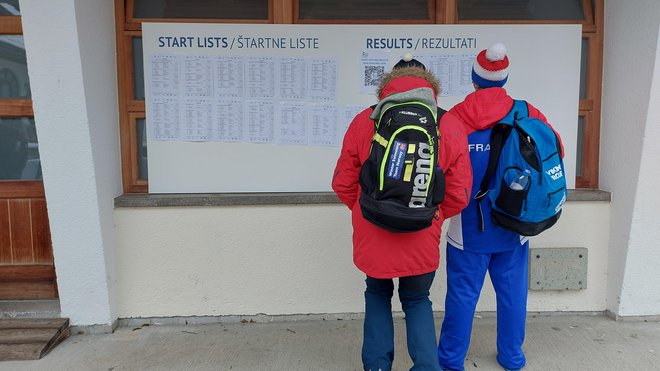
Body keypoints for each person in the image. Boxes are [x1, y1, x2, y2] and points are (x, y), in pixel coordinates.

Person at [332, 54, 472, 371]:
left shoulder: (363, 121)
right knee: (417, 299)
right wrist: (432, 215)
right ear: (430, 85)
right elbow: (459, 193)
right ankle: (426, 366)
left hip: (373, 226)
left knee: (377, 293)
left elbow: (342, 182)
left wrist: (364, 210)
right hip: (421, 229)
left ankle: (377, 366)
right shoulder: (449, 123)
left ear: (387, 86)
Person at [436, 43, 564, 371]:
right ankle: (512, 357)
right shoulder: (527, 113)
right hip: (514, 223)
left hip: (467, 228)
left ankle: (450, 361)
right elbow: (556, 151)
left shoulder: (453, 119)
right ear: (504, 79)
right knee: (512, 296)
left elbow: (439, 167)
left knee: (462, 296)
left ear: (473, 79)